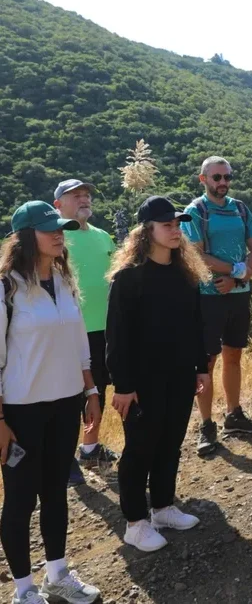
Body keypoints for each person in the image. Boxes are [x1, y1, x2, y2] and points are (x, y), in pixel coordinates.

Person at [0, 201, 102, 604]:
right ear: (26, 237)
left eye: (60, 228)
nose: (59, 234)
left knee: (55, 491)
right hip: (22, 410)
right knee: (21, 498)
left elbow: (79, 343)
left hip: (65, 403)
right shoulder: (6, 288)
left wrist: (90, 390)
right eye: (49, 229)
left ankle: (57, 574)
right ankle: (24, 589)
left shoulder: (63, 282)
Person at [105, 196, 211, 553]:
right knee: (140, 449)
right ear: (146, 232)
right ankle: (136, 523)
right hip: (142, 382)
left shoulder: (185, 273)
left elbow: (196, 324)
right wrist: (122, 386)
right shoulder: (128, 279)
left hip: (180, 375)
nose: (175, 230)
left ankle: (164, 507)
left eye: (177, 224)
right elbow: (116, 336)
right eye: (167, 225)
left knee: (170, 443)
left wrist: (201, 367)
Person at [182, 156, 252, 456]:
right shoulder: (196, 211)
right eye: (216, 177)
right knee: (206, 362)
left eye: (227, 177)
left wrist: (241, 275)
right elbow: (197, 256)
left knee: (234, 355)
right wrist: (235, 273)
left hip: (238, 293)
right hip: (208, 296)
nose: (223, 183)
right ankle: (206, 425)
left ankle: (234, 414)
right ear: (202, 179)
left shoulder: (240, 208)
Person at [52, 179, 117, 488]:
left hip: (106, 328)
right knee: (67, 398)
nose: (84, 199)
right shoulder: (55, 239)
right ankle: (62, 463)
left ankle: (89, 449)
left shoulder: (104, 237)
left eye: (87, 195)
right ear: (58, 206)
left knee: (98, 391)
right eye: (75, 195)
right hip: (69, 333)